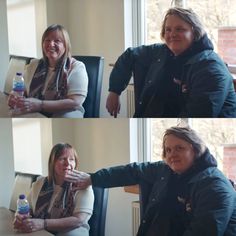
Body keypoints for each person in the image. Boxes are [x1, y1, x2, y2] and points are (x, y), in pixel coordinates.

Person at [66, 127, 236, 236]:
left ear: (196, 150)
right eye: (168, 150)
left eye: (179, 148)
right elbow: (131, 171)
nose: (172, 154)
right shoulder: (166, 170)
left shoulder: (214, 186)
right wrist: (93, 178)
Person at [106, 7, 236, 118]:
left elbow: (197, 115)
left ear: (194, 32)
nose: (172, 34)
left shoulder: (210, 68)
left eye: (180, 29)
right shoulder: (163, 51)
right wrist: (114, 91)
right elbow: (130, 54)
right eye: (168, 30)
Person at [13, 143, 94, 236]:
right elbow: (27, 208)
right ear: (52, 163)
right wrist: (20, 217)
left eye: (72, 159)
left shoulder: (83, 185)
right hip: (41, 232)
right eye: (62, 159)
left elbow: (78, 220)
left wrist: (43, 224)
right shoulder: (39, 183)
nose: (68, 163)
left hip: (71, 232)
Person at [8, 24, 88, 118]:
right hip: (34, 110)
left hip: (65, 112)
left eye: (57, 41)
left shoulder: (77, 67)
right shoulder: (34, 64)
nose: (51, 44)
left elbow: (75, 101)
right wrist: (14, 96)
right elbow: (23, 91)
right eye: (47, 40)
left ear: (65, 45)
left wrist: (41, 105)